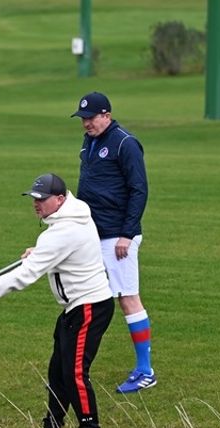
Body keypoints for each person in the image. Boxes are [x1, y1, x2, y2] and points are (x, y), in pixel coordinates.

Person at [0, 173, 115, 428]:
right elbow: (63, 253)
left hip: (90, 307)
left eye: (42, 199)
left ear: (60, 200)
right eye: (34, 198)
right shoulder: (73, 215)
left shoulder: (61, 232)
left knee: (76, 375)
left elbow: (25, 276)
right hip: (75, 308)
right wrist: (40, 253)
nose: (36, 204)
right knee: (57, 372)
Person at [72, 91, 156, 394]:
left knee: (127, 298)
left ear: (106, 115)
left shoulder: (125, 143)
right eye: (83, 119)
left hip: (117, 236)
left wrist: (127, 233)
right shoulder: (90, 142)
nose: (86, 124)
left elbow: (139, 190)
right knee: (88, 295)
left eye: (91, 118)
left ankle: (145, 370)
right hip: (93, 234)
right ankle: (76, 364)